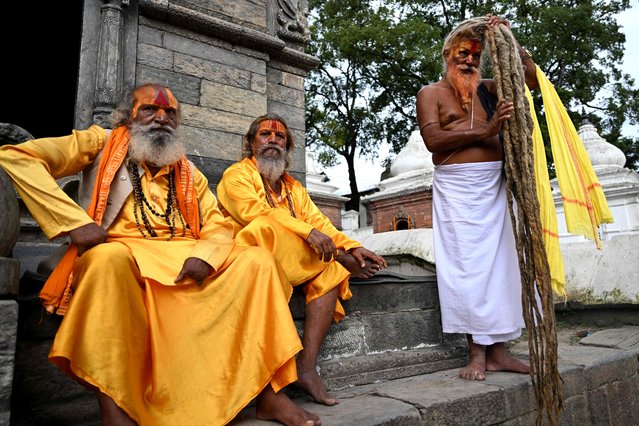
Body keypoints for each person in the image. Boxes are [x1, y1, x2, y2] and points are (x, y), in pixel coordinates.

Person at [0, 83, 321, 426]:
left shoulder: (187, 171)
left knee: (258, 262)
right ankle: (115, 411)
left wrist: (206, 256)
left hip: (184, 256)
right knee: (106, 261)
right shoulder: (100, 142)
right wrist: (73, 223)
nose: (161, 118)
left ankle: (271, 396)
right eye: (150, 110)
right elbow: (15, 156)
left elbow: (217, 224)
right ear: (127, 116)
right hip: (123, 251)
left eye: (170, 113)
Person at [217, 114, 387, 406]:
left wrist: (351, 246)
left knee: (330, 270)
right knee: (265, 227)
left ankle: (307, 368)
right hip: (247, 257)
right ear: (250, 143)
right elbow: (255, 214)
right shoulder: (237, 175)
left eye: (279, 137)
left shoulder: (294, 188)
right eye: (265, 135)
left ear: (287, 146)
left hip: (288, 260)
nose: (272, 141)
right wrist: (310, 233)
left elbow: (321, 222)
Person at [415, 15, 538, 381]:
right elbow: (434, 142)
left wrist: (510, 43)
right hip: (457, 189)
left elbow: (530, 82)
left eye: (475, 55)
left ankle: (499, 352)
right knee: (467, 268)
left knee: (502, 268)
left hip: (495, 187)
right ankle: (476, 354)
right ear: (446, 56)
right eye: (461, 54)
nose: (468, 60)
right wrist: (488, 130)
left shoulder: (488, 87)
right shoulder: (430, 93)